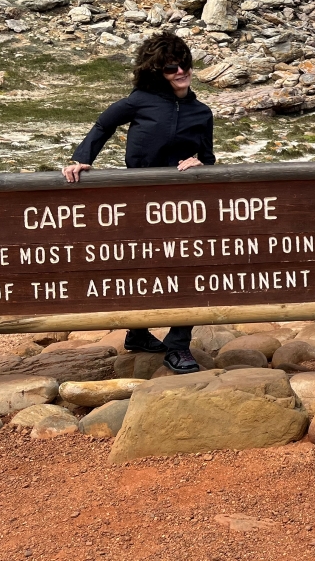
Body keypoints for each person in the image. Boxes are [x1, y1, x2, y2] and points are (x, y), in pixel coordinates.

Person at [63, 32, 215, 374]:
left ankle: (178, 347)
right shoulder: (140, 100)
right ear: (155, 72)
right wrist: (82, 159)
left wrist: (200, 163)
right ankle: (138, 331)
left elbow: (208, 157)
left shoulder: (202, 112)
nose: (180, 71)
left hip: (180, 207)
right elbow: (103, 125)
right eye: (170, 67)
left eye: (184, 64)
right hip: (138, 201)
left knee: (187, 269)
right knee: (140, 268)